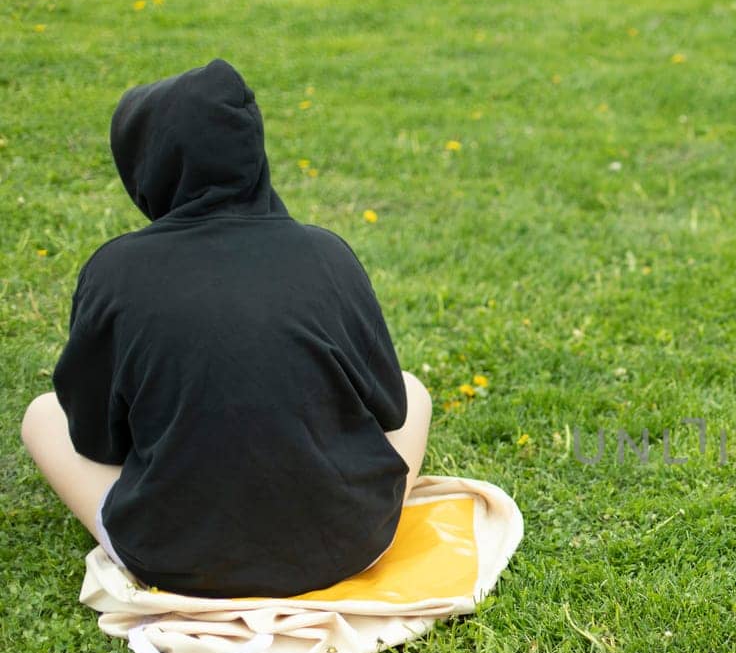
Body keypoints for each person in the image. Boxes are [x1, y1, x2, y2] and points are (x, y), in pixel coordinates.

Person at [19, 58, 431, 598]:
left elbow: (97, 441)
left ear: (147, 167)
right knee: (416, 389)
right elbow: (391, 408)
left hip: (174, 562)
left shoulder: (115, 270)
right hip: (350, 545)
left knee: (42, 414)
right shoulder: (326, 253)